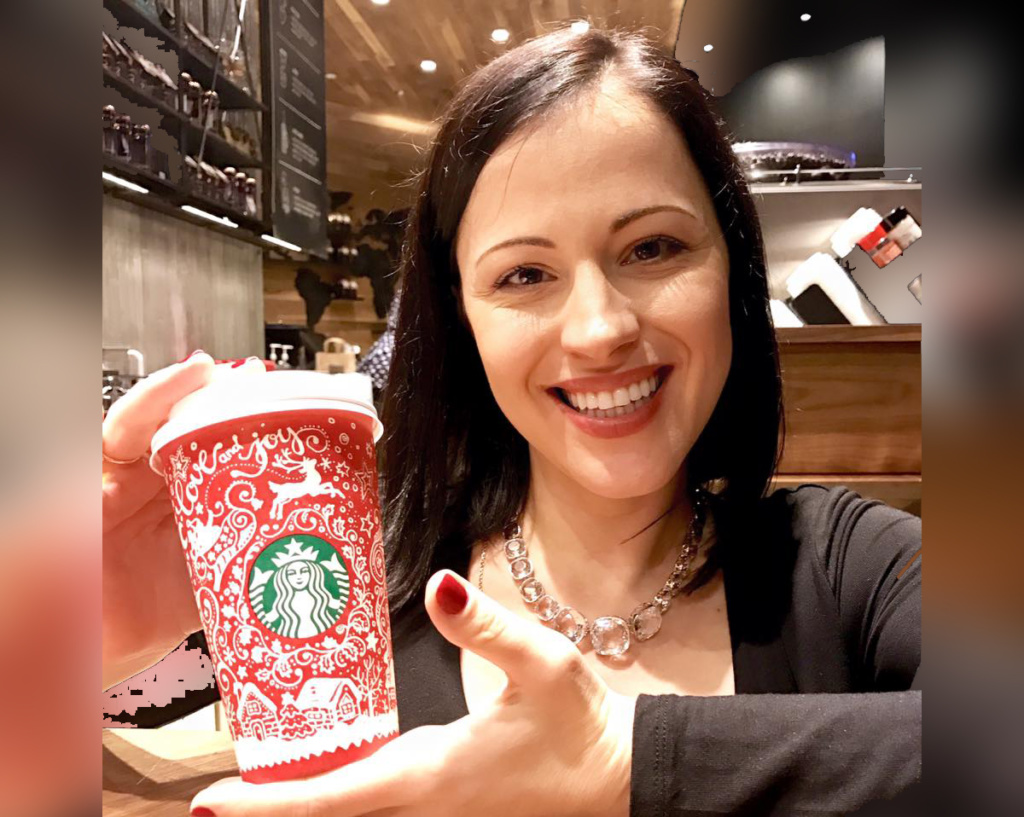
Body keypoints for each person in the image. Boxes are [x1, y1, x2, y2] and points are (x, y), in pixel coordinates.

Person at [102, 26, 920, 817]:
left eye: (652, 248)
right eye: (525, 274)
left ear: (731, 272)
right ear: (460, 318)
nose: (599, 329)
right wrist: (87, 633)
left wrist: (625, 763)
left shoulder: (843, 568)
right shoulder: (358, 588)